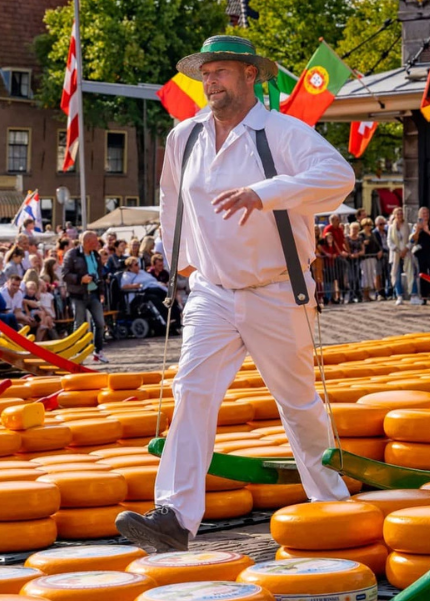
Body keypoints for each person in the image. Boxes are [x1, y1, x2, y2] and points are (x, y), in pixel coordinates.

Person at [116, 36, 353, 552]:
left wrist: (263, 194)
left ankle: (332, 505)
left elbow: (340, 178)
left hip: (276, 290)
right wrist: (177, 255)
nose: (211, 82)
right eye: (206, 73)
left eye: (221, 71)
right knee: (192, 391)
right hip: (211, 290)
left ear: (251, 76)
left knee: (297, 401)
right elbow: (171, 196)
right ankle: (175, 516)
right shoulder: (186, 137)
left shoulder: (283, 133)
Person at [62, 230, 109, 364]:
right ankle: (78, 354)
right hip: (78, 294)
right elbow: (64, 274)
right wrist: (80, 279)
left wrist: (101, 292)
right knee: (80, 324)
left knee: (100, 323)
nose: (97, 244)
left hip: (93, 293)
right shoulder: (72, 254)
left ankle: (98, 351)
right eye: (94, 241)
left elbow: (99, 273)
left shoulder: (95, 255)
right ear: (87, 242)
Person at [409, 207, 430, 305]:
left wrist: (428, 231)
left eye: (427, 213)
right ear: (419, 215)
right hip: (420, 252)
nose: (425, 215)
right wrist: (418, 230)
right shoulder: (416, 226)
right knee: (422, 274)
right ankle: (423, 297)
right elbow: (412, 240)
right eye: (423, 213)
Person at [385, 208, 412, 305]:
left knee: (410, 272)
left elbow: (411, 239)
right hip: (395, 254)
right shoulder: (391, 227)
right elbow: (389, 241)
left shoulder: (408, 226)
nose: (400, 215)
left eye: (401, 213)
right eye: (398, 214)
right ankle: (399, 295)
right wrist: (397, 250)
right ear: (394, 215)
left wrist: (406, 249)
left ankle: (413, 294)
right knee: (396, 275)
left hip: (406, 252)